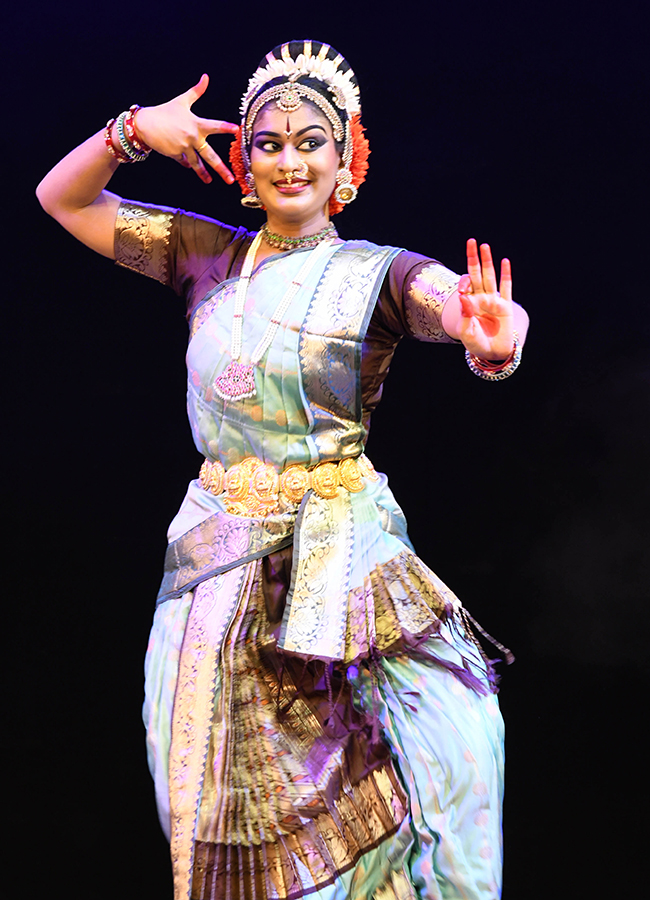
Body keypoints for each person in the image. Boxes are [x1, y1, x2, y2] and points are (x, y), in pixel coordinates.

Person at [37, 40, 529, 900]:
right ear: (245, 163)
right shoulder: (202, 254)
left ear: (345, 161)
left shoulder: (378, 275)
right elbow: (63, 198)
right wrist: (134, 132)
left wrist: (491, 335)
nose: (289, 160)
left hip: (344, 566)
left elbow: (453, 304)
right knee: (216, 799)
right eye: (269, 143)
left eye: (311, 142)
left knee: (449, 748)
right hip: (218, 568)